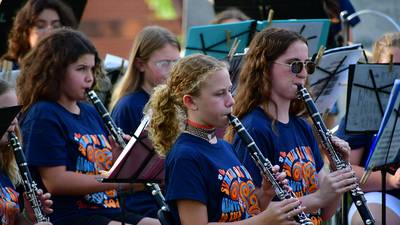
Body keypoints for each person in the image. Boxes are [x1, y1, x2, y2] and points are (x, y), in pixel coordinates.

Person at [16, 28, 160, 225]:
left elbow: (102, 172)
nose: (90, 78)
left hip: (109, 210)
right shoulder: (44, 114)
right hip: (71, 215)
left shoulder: (91, 112)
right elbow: (56, 181)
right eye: (81, 69)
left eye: (92, 69)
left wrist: (122, 163)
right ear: (55, 70)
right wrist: (113, 180)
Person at [146, 53, 307, 225]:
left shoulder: (225, 147)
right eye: (219, 94)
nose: (230, 101)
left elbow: (245, 212)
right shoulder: (185, 157)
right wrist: (264, 221)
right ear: (191, 102)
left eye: (229, 91)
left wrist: (265, 193)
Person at [225, 28, 357, 225]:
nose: (303, 73)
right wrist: (318, 198)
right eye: (293, 65)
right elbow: (252, 211)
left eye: (307, 65)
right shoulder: (253, 129)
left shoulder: (303, 126)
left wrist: (339, 170)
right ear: (264, 67)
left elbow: (324, 214)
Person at [109, 25, 180, 218]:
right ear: (140, 64)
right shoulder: (129, 105)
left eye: (177, 62)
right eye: (164, 63)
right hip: (143, 203)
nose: (173, 71)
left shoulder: (178, 101)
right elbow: (123, 173)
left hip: (171, 195)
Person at [337, 32, 400, 225]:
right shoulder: (362, 111)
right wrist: (390, 181)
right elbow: (343, 170)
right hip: (382, 196)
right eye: (389, 70)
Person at [0, 79, 53, 225]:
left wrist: (28, 218)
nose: (14, 122)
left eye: (16, 114)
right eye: (6, 113)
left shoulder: (5, 171)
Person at [1, 0, 76, 68]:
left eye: (56, 27)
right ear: (26, 33)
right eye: (40, 26)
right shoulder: (7, 71)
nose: (49, 31)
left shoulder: (70, 70)